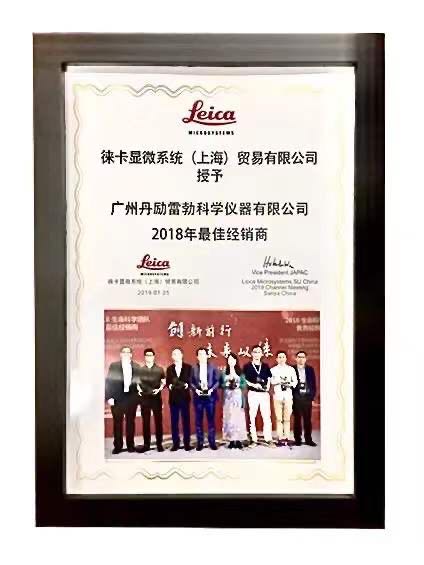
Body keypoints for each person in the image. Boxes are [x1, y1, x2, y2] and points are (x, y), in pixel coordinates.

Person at [105, 345, 141, 454]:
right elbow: (109, 382)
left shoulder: (137, 366)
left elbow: (140, 383)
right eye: (123, 352)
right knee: (117, 423)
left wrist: (139, 398)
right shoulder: (114, 366)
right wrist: (109, 397)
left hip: (131, 399)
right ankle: (118, 446)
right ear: (120, 354)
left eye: (128, 352)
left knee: (130, 423)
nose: (126, 354)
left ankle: (130, 445)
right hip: (117, 398)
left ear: (131, 354)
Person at [135, 348, 166, 453]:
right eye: (147, 355)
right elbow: (137, 382)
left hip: (156, 398)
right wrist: (139, 389)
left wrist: (159, 389)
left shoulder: (159, 369)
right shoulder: (140, 370)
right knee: (146, 422)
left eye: (151, 355)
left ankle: (159, 444)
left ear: (154, 356)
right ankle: (146, 444)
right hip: (144, 398)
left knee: (158, 422)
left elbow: (163, 382)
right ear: (145, 357)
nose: (149, 357)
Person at [243, 345, 275, 447]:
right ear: (252, 354)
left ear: (262, 354)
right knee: (252, 417)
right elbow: (244, 380)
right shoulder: (247, 366)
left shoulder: (265, 366)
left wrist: (268, 387)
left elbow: (269, 378)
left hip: (264, 394)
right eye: (255, 352)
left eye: (259, 352)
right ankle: (253, 439)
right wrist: (253, 385)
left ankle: (268, 439)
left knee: (267, 417)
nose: (257, 354)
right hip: (253, 393)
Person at [191, 347, 220, 451]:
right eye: (200, 354)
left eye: (204, 354)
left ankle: (212, 442)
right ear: (197, 356)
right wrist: (196, 390)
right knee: (198, 421)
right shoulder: (193, 368)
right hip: (198, 397)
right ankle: (200, 442)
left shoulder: (213, 367)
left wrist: (211, 390)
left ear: (207, 356)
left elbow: (217, 381)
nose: (202, 356)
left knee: (211, 420)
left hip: (210, 397)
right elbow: (191, 382)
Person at [166, 347, 193, 451]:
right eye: (174, 354)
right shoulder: (169, 369)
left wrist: (187, 385)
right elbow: (168, 382)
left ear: (182, 355)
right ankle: (175, 443)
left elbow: (191, 380)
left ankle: (187, 443)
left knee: (186, 421)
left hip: (184, 398)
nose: (175, 356)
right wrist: (170, 385)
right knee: (174, 422)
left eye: (177, 353)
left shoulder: (188, 367)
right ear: (172, 356)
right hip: (173, 398)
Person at [221, 352, 248, 449]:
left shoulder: (240, 372)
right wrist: (226, 385)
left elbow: (244, 384)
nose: (231, 361)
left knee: (238, 418)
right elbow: (221, 384)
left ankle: (239, 440)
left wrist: (238, 385)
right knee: (229, 419)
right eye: (229, 360)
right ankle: (231, 440)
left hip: (237, 397)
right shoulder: (224, 372)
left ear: (236, 361)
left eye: (233, 359)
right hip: (228, 398)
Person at [270, 351, 298, 446]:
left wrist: (288, 383)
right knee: (279, 418)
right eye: (279, 357)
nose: (281, 359)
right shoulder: (273, 370)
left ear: (286, 358)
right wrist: (279, 381)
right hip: (277, 396)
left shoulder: (291, 369)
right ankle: (280, 437)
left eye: (283, 357)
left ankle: (287, 436)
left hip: (288, 396)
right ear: (276, 359)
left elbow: (295, 382)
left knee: (287, 418)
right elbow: (271, 381)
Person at [292, 350, 317, 447]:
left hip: (307, 397)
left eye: (303, 357)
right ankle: (297, 440)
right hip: (296, 397)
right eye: (299, 357)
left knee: (307, 420)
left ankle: (308, 439)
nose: (301, 359)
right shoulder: (292, 369)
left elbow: (313, 384)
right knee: (297, 419)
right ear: (296, 358)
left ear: (305, 359)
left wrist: (312, 397)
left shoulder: (310, 369)